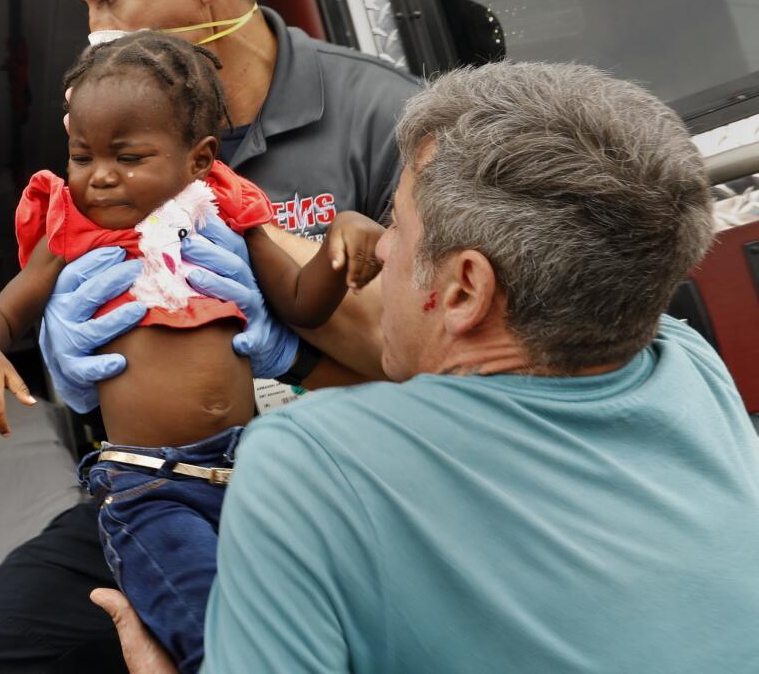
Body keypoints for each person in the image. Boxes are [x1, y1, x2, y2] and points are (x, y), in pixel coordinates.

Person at [92, 62, 759, 673]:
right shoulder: (687, 360)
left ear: (466, 288)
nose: (380, 247)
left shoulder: (306, 465)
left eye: (399, 224)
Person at [0, 0, 417, 670]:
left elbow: (454, 374)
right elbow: (63, 314)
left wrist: (290, 339)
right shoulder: (116, 142)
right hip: (162, 479)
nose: (94, 31)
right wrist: (61, 356)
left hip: (344, 476)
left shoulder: (383, 119)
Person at [0, 32, 382, 672]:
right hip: (150, 489)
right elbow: (3, 312)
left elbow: (302, 303)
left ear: (201, 159)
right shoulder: (72, 225)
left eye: (128, 156)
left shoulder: (225, 210)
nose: (101, 176)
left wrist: (341, 241)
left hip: (256, 469)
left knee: (321, 620)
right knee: (213, 638)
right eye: (82, 155)